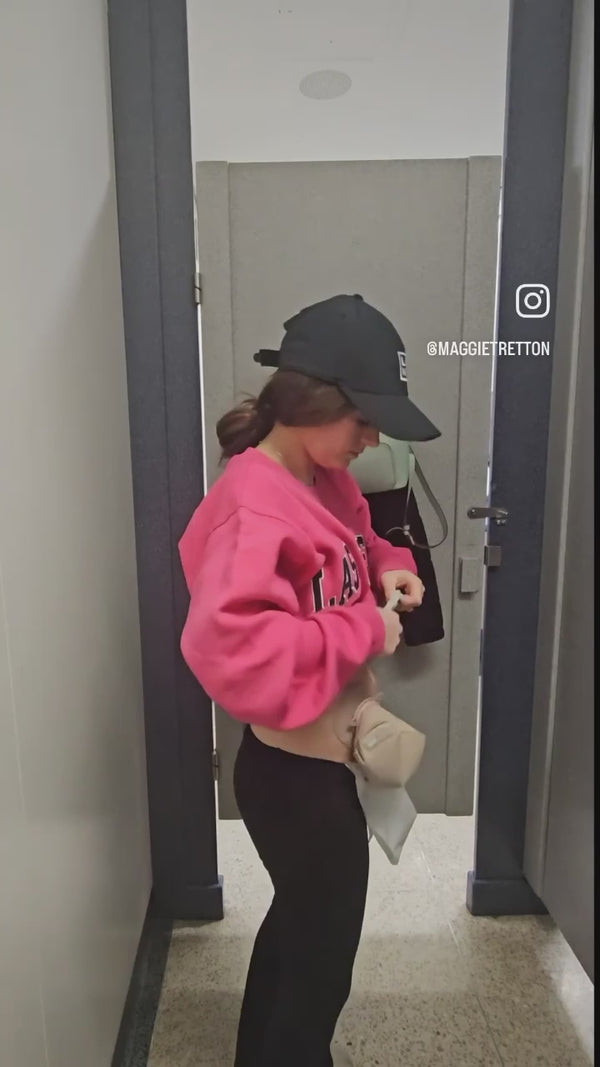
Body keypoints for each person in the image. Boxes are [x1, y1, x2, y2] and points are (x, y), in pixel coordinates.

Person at [178, 294, 440, 1067]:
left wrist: (391, 566)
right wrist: (367, 629)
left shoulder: (321, 477)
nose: (373, 438)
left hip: (321, 760)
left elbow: (360, 535)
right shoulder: (253, 509)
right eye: (364, 419)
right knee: (319, 971)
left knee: (298, 933)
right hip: (292, 776)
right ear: (312, 403)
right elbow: (234, 650)